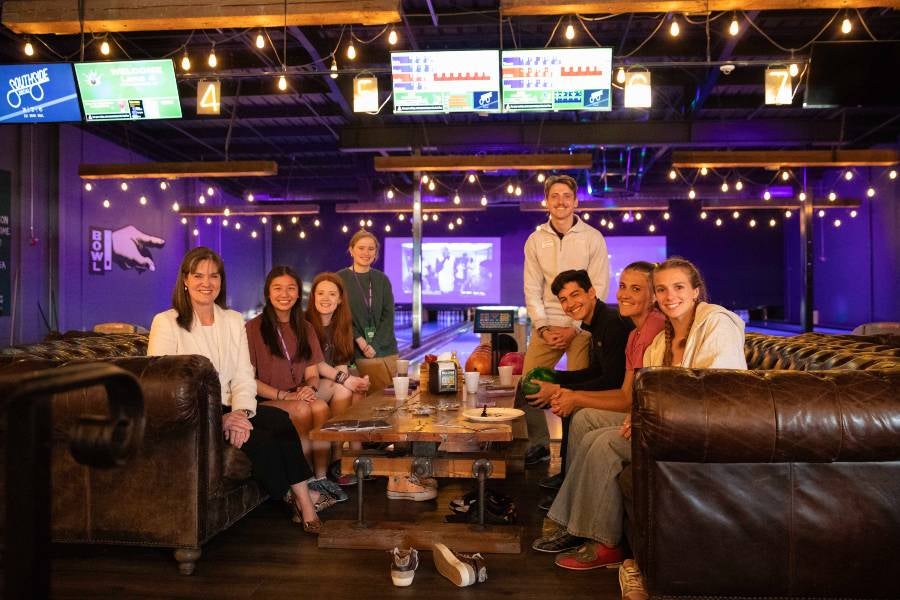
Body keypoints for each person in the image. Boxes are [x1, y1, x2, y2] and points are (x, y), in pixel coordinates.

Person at [532, 257, 747, 571]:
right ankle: (572, 521)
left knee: (603, 444)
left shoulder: (715, 323)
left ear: (696, 291)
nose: (669, 295)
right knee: (591, 430)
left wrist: (645, 416)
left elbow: (718, 392)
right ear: (656, 296)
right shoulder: (661, 339)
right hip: (668, 425)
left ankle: (606, 542)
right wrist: (643, 413)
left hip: (705, 431)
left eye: (678, 287)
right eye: (663, 289)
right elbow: (643, 394)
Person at [147, 247, 329, 533]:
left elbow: (244, 374)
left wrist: (241, 413)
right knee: (264, 439)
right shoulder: (166, 322)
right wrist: (217, 420)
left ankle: (302, 502)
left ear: (221, 281)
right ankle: (303, 502)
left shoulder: (232, 320)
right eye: (198, 276)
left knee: (280, 421)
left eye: (213, 276)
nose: (206, 282)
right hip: (194, 413)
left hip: (234, 405)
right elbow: (162, 390)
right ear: (185, 280)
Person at [521, 174, 610, 466]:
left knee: (579, 390)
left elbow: (598, 286)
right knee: (529, 382)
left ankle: (576, 449)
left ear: (575, 201)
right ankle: (539, 444)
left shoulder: (592, 237)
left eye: (566, 196)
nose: (560, 202)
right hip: (547, 323)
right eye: (554, 196)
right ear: (546, 201)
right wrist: (543, 327)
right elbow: (532, 287)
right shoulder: (535, 240)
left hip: (582, 326)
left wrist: (576, 327)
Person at [245, 266, 351, 502]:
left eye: (291, 288)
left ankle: (321, 478)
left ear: (297, 293)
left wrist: (310, 388)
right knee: (303, 409)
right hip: (267, 398)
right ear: (268, 293)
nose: (285, 294)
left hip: (296, 394)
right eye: (278, 288)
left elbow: (312, 373)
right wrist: (284, 396)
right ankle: (305, 479)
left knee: (320, 407)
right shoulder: (253, 328)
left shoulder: (305, 327)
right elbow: (248, 379)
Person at [522, 269, 632, 489]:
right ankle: (566, 475)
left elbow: (611, 380)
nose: (570, 303)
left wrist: (559, 389)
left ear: (591, 292)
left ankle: (568, 479)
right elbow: (596, 372)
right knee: (566, 400)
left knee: (571, 406)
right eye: (563, 299)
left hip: (622, 399)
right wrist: (558, 379)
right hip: (613, 388)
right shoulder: (597, 323)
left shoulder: (611, 324)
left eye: (575, 295)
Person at [306, 272, 370, 486]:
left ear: (340, 299)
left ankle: (350, 459)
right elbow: (315, 364)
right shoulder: (306, 324)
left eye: (332, 293)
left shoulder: (341, 326)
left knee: (354, 390)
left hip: (329, 384)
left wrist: (355, 382)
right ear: (313, 296)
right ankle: (340, 457)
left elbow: (341, 364)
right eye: (321, 293)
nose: (326, 298)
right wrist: (346, 380)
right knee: (344, 388)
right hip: (307, 384)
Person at [338, 230, 398, 392]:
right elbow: (340, 316)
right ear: (351, 250)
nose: (366, 253)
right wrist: (360, 340)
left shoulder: (382, 279)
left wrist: (374, 345)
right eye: (361, 248)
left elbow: (388, 315)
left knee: (390, 402)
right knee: (365, 404)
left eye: (371, 249)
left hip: (385, 349)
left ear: (376, 253)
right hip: (355, 351)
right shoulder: (339, 279)